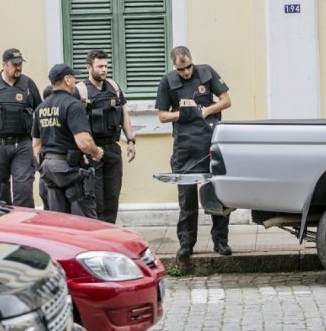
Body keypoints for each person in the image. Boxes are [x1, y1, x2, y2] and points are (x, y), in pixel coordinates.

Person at [155, 46, 232, 258]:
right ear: (174, 66)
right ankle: (186, 244)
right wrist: (185, 113)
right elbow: (162, 116)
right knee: (187, 199)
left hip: (210, 141)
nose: (186, 72)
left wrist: (205, 111)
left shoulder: (206, 72)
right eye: (181, 69)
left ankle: (221, 241)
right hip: (184, 146)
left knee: (217, 195)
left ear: (192, 61)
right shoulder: (167, 81)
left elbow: (226, 100)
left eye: (188, 67)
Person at [32, 64, 104, 218]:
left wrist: (43, 168)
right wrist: (96, 152)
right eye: (73, 77)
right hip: (70, 169)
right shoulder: (73, 105)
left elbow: (36, 145)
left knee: (58, 221)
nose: (75, 81)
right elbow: (84, 143)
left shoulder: (41, 108)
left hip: (49, 169)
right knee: (85, 221)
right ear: (67, 79)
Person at [0, 48, 42, 207]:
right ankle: (5, 222)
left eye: (20, 64)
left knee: (23, 189)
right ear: (4, 65)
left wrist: (39, 145)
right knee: (1, 193)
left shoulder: (28, 84)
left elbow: (40, 114)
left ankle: (24, 222)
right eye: (14, 64)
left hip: (23, 144)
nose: (19, 67)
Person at [76, 50, 136, 224]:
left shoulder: (114, 87)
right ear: (89, 67)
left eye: (106, 66)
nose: (104, 70)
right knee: (96, 200)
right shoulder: (80, 91)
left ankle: (110, 233)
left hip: (112, 149)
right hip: (92, 151)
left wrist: (130, 140)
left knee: (112, 199)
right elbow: (74, 124)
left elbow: (124, 113)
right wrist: (82, 152)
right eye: (100, 66)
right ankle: (97, 235)